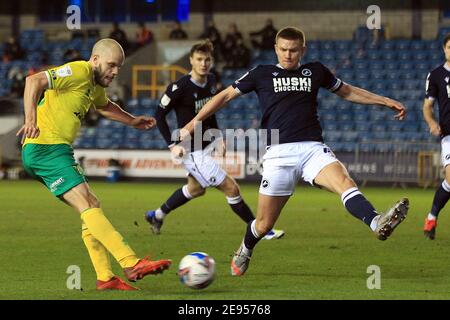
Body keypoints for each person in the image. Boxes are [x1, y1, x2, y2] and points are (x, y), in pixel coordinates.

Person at [181, 27, 409, 276]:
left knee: (345, 181)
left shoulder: (316, 71)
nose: (288, 55)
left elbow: (348, 91)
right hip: (279, 154)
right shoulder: (261, 73)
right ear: (276, 49)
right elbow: (224, 96)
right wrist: (195, 122)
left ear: (303, 50)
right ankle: (246, 248)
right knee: (265, 224)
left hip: (312, 148)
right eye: (283, 50)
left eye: (293, 50)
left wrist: (384, 100)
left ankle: (376, 222)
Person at [16, 38, 172, 290]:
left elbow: (105, 106)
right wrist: (31, 119)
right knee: (87, 203)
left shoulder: (93, 84)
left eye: (119, 67)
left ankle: (105, 278)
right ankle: (130, 262)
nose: (115, 72)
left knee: (91, 206)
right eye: (111, 65)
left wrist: (132, 120)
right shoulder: (79, 70)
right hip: (44, 147)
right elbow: (33, 81)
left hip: (57, 150)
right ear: (95, 59)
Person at [145, 39, 284, 240]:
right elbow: (159, 116)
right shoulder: (178, 88)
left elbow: (210, 112)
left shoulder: (211, 81)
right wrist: (172, 146)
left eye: (207, 60)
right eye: (199, 59)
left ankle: (156, 215)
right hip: (190, 150)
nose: (203, 63)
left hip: (206, 144)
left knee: (195, 189)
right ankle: (261, 230)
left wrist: (218, 137)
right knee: (231, 187)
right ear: (191, 60)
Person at [422, 33, 450, 240]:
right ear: (444, 49)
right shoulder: (436, 75)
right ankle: (431, 217)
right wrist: (432, 123)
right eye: (449, 47)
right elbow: (427, 107)